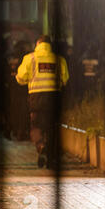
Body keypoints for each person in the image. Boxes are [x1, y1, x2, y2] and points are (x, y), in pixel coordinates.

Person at [16, 35, 69, 168]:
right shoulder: (59, 59)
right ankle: (51, 160)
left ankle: (41, 145)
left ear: (38, 44)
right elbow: (65, 79)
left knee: (36, 125)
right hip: (54, 97)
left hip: (36, 98)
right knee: (52, 128)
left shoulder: (30, 58)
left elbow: (21, 77)